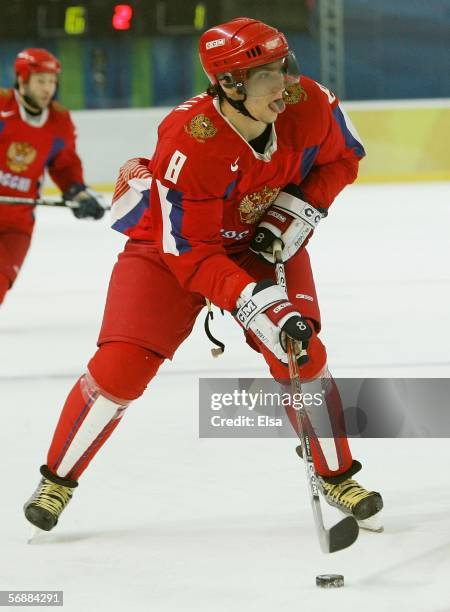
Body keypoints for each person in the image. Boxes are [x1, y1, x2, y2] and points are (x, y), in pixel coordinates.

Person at [24, 18, 383, 533]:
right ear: (230, 85)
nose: (284, 82)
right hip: (170, 250)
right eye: (266, 75)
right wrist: (251, 300)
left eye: (285, 66)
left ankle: (337, 474)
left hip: (262, 238)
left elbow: (344, 160)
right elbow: (191, 254)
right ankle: (56, 479)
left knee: (302, 349)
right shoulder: (189, 142)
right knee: (121, 367)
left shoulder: (309, 103)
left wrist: (297, 208)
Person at [0, 48, 105, 305]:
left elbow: (66, 168)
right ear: (22, 80)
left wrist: (79, 194)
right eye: (40, 81)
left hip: (16, 225)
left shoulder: (60, 122)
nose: (48, 88)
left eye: (51, 81)